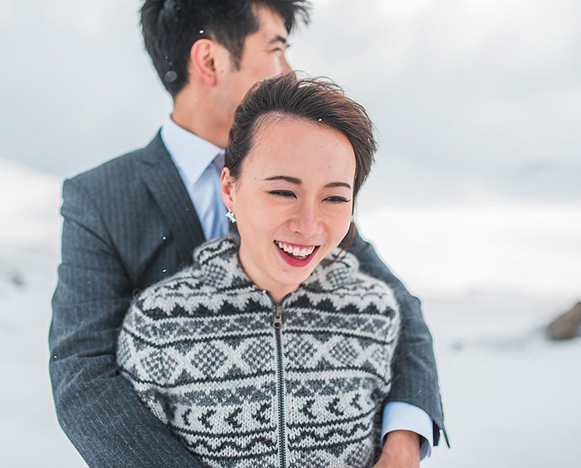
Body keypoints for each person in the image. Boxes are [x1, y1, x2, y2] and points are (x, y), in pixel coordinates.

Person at [49, 1, 446, 467]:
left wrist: (403, 443)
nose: (288, 70)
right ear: (210, 60)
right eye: (276, 49)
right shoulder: (101, 197)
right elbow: (84, 374)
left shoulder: (309, 182)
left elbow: (402, 314)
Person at [118, 72, 400, 467]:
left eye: (334, 198)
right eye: (283, 192)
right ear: (230, 190)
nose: (308, 224)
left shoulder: (374, 312)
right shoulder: (159, 323)